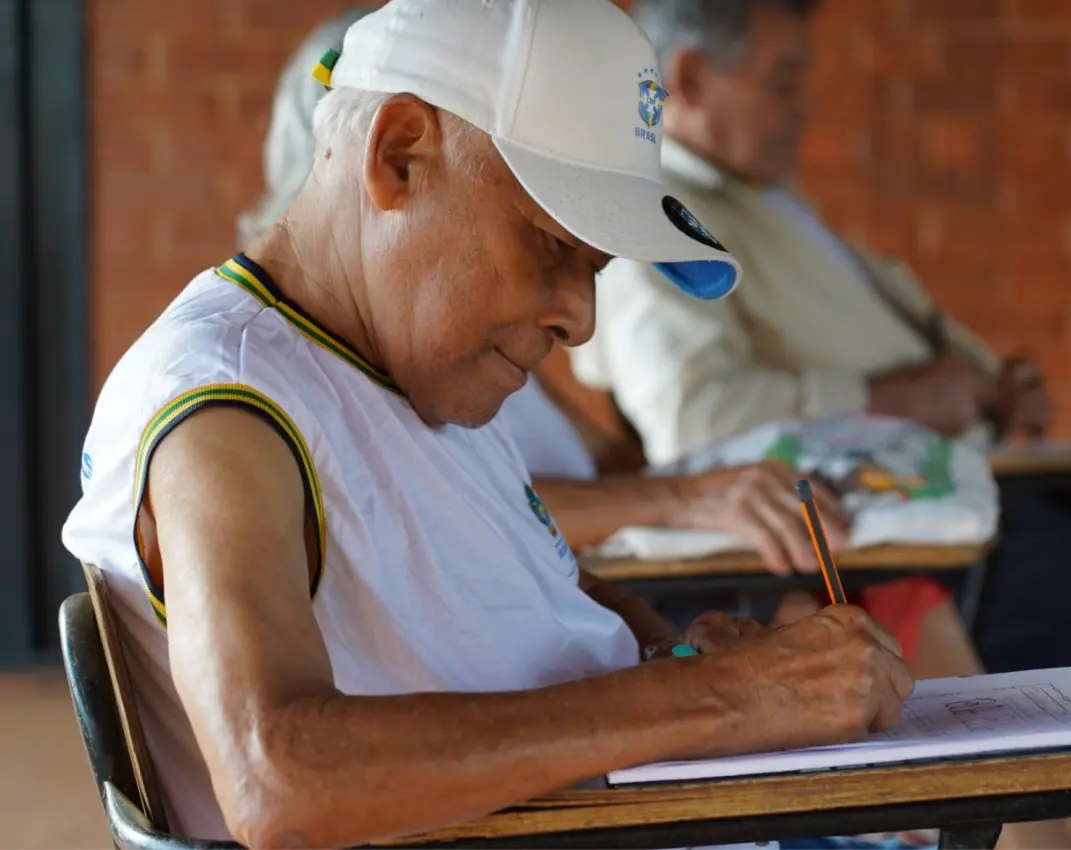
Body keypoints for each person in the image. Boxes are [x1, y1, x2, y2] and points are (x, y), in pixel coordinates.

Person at [62, 2, 917, 847]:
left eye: (596, 270)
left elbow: (536, 590)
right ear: (399, 155)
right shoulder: (227, 408)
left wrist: (680, 657)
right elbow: (279, 778)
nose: (579, 319)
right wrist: (724, 701)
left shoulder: (398, 362)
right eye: (552, 246)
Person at [569, 1, 1071, 843]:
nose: (804, 106)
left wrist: (990, 386)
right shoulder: (663, 222)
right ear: (693, 79)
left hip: (994, 483)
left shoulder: (775, 207)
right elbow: (695, 419)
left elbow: (917, 361)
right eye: (785, 80)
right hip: (921, 542)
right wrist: (907, 397)